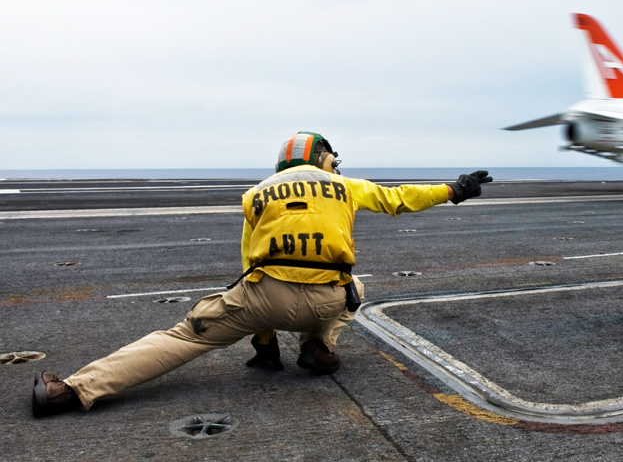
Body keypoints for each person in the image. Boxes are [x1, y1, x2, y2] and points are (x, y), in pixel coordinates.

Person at [32, 131, 492, 418]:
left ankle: (73, 391)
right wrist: (455, 189)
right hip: (329, 297)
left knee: (182, 337)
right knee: (358, 288)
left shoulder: (255, 194)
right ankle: (319, 345)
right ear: (325, 158)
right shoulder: (344, 185)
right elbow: (399, 198)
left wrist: (265, 344)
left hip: (264, 297)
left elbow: (248, 268)